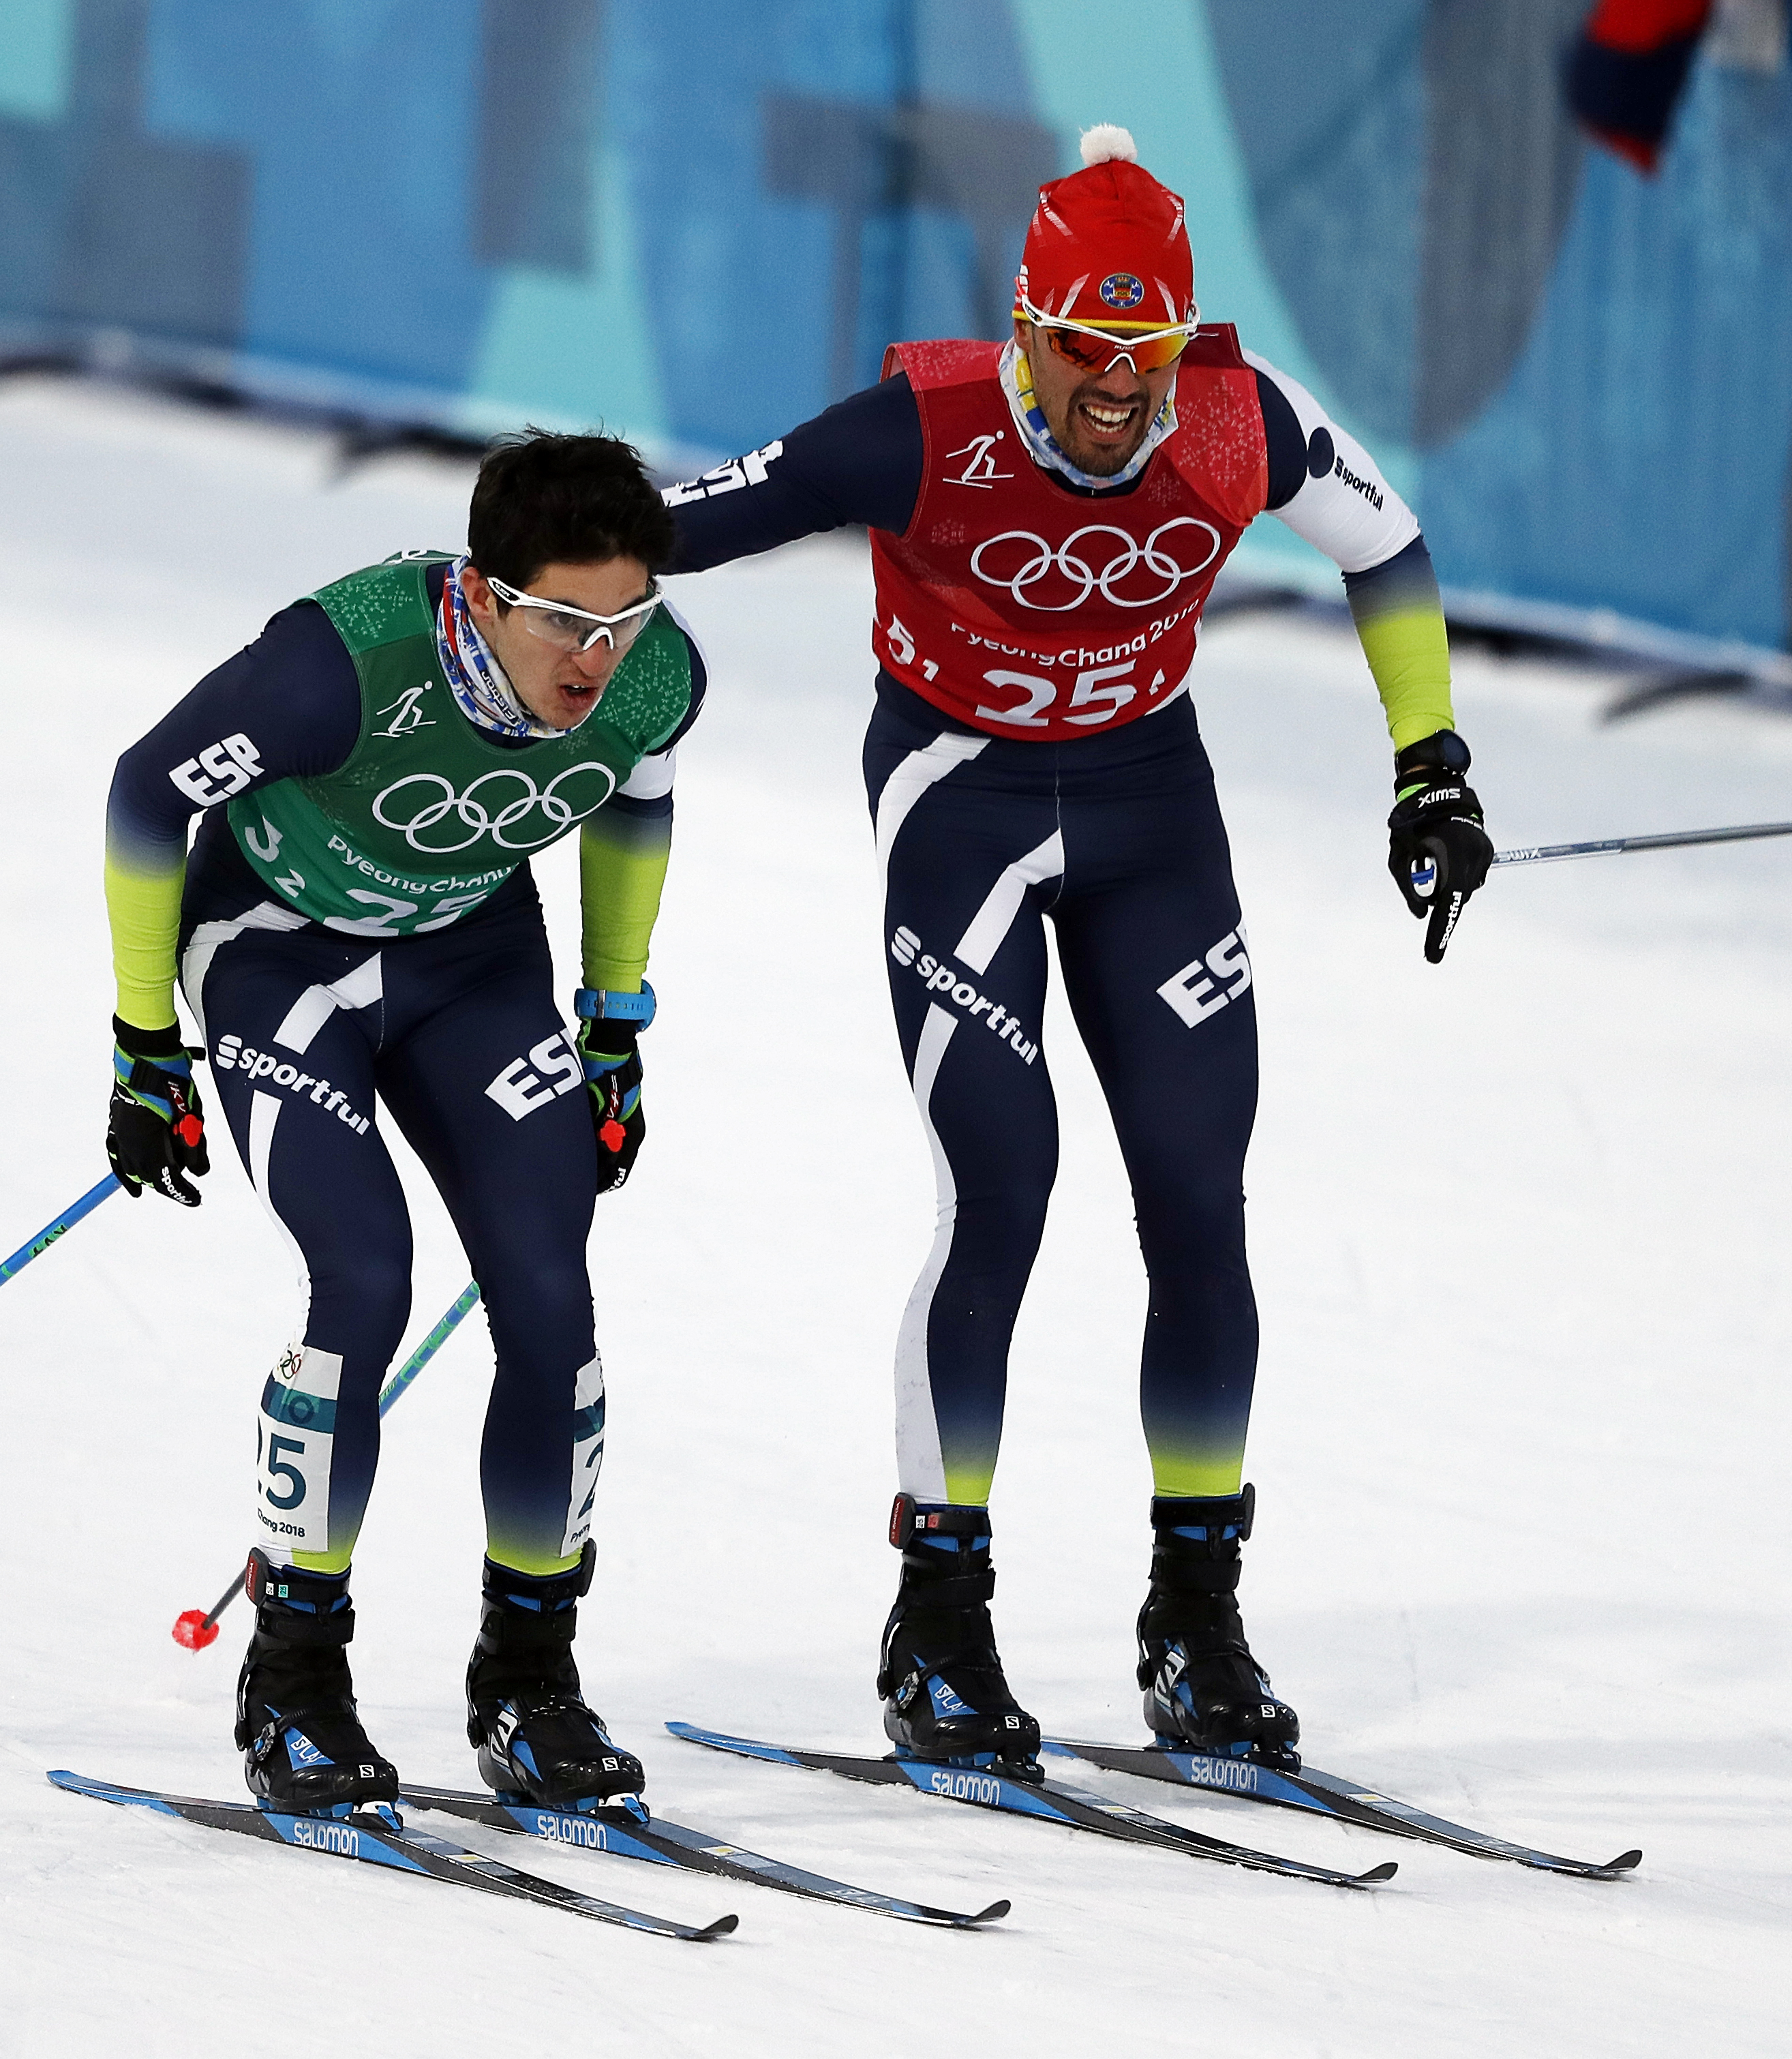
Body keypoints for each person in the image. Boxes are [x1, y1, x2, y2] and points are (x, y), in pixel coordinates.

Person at [661, 126, 1491, 1776]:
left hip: (1145, 813)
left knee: (1197, 1198)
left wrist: (1431, 762)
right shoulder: (920, 429)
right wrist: (499, 566)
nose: (1121, 396)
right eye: (1088, 358)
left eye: (1152, 360)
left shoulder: (1236, 422)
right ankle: (940, 1618)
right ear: (1025, 329)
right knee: (1002, 1188)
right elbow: (678, 523)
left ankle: (1194, 1616)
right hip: (958, 804)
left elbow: (1383, 548)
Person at [97, 431, 702, 1815]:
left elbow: (629, 813)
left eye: (622, 620)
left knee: (552, 1304)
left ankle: (529, 1680)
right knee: (363, 1279)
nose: (594, 658)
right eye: (562, 619)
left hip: (465, 962)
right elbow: (147, 788)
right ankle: (295, 1679)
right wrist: (144, 1041)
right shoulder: (342, 664)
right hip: (275, 949)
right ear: (483, 592)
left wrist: (613, 1020)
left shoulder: (652, 680)